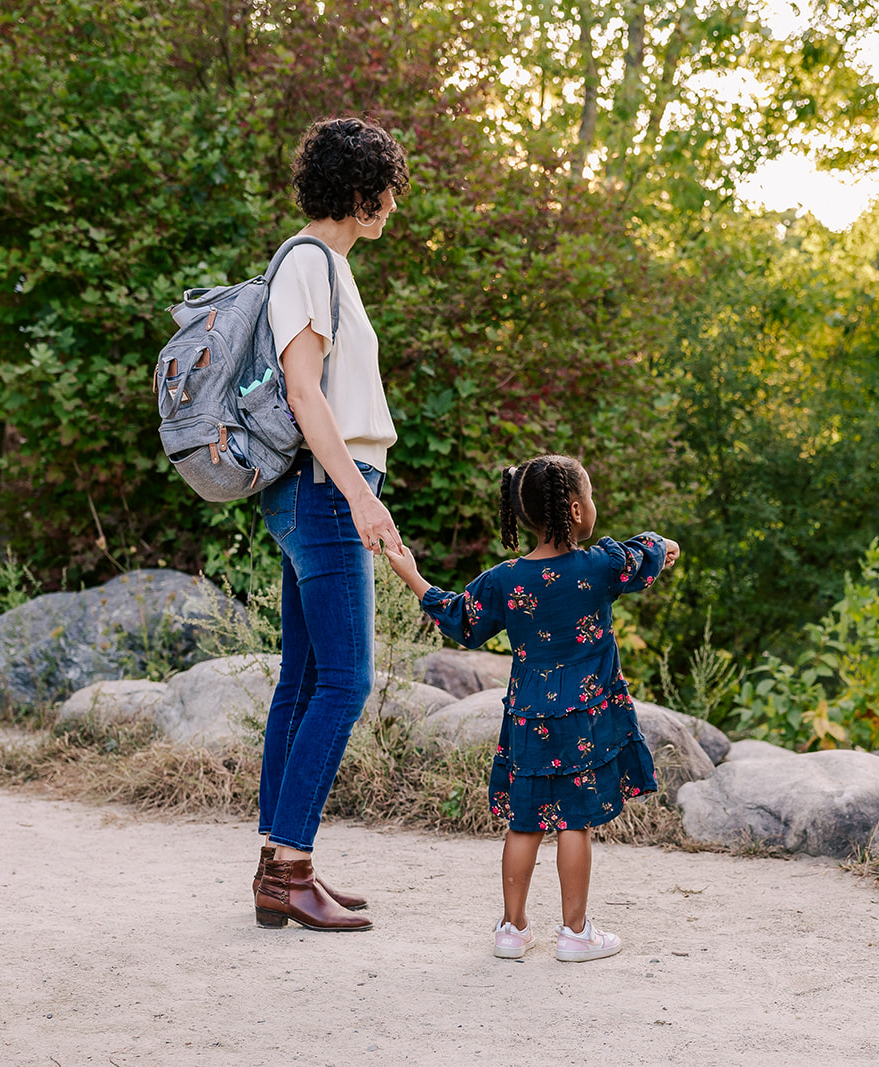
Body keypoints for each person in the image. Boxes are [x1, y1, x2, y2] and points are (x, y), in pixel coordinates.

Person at [383, 454, 679, 961]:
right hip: (582, 722)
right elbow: (646, 554)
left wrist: (412, 576)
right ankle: (576, 934)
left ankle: (511, 930)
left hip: (525, 719)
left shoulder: (506, 580)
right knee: (573, 823)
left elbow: (461, 620)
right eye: (590, 497)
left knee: (525, 823)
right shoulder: (600, 567)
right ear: (575, 508)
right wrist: (664, 544)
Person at [251, 116, 409, 932]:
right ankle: (291, 864)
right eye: (387, 187)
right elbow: (306, 393)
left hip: (318, 488)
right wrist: (359, 495)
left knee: (305, 679)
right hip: (324, 487)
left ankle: (278, 865)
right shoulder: (311, 264)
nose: (393, 203)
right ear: (357, 191)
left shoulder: (323, 266)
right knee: (344, 681)